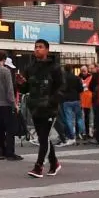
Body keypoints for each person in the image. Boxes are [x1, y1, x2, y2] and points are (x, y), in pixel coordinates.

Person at [21, 39, 68, 176]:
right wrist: (21, 83)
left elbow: (62, 87)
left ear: (47, 50)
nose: (37, 49)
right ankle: (54, 163)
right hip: (35, 107)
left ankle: (39, 166)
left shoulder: (54, 68)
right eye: (36, 47)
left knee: (43, 137)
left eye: (40, 47)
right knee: (43, 137)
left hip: (49, 108)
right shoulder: (30, 68)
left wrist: (53, 101)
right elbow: (25, 89)